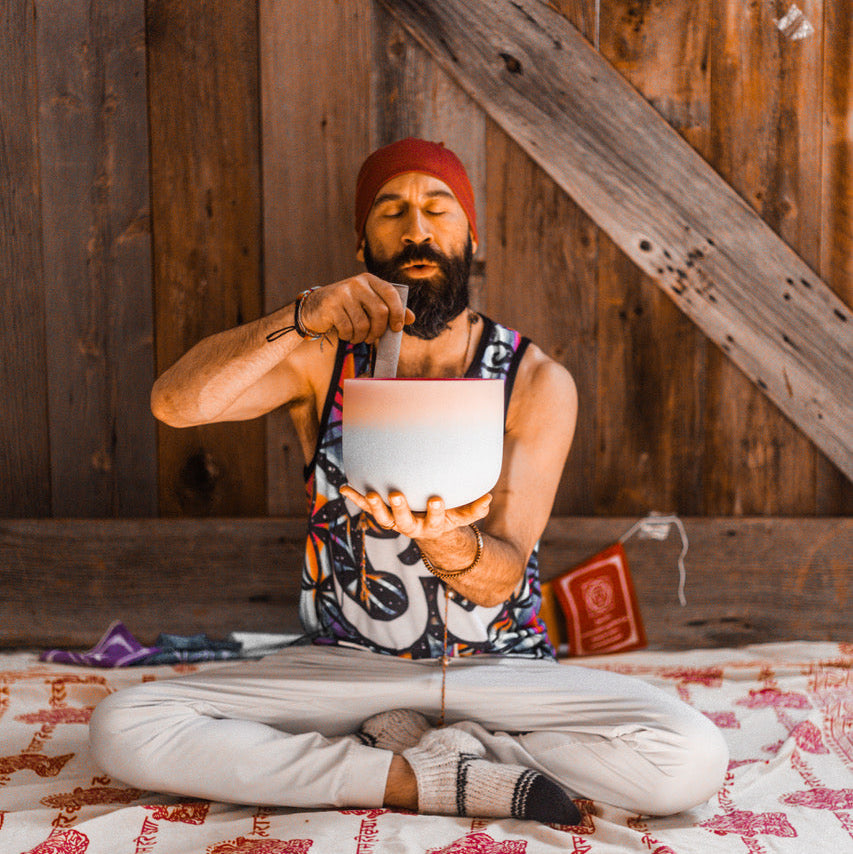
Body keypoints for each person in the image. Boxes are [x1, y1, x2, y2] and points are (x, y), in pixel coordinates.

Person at [90, 138, 727, 824]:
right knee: (125, 724)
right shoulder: (321, 357)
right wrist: (299, 314)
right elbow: (174, 405)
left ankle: (433, 752)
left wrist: (447, 541)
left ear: (470, 236)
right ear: (361, 244)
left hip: (502, 671)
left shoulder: (534, 380)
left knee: (688, 757)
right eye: (390, 210)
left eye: (436, 208)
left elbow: (500, 575)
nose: (416, 229)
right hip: (349, 666)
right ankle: (419, 779)